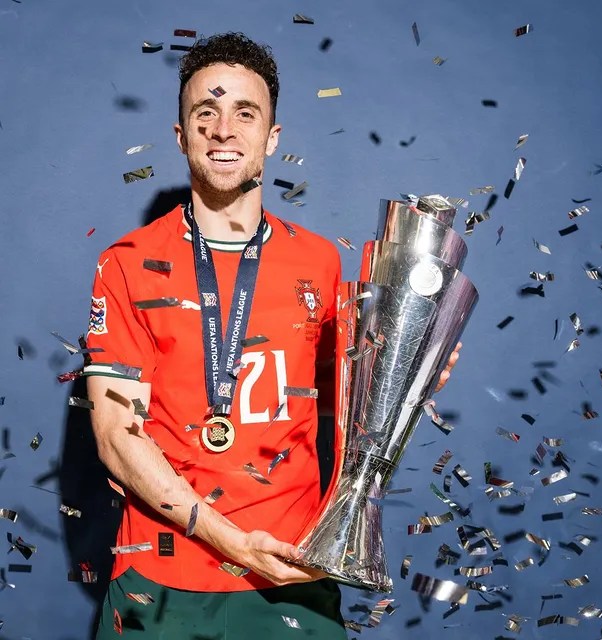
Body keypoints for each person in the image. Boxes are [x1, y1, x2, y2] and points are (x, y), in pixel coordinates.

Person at [84, 32, 460, 639]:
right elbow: (113, 435)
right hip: (160, 580)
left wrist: (408, 375)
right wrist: (231, 541)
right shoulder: (126, 263)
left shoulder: (319, 262)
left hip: (292, 572)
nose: (223, 130)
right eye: (205, 113)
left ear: (273, 136)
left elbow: (344, 408)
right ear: (181, 136)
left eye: (245, 113)